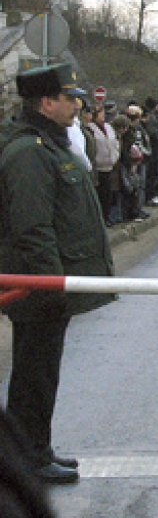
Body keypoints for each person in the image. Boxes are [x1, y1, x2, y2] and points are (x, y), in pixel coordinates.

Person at [0, 63, 115, 485]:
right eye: (70, 98)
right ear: (46, 103)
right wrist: (51, 284)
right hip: (38, 285)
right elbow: (33, 227)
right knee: (33, 374)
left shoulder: (48, 143)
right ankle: (26, 459)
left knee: (40, 372)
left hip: (44, 284)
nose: (78, 105)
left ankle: (36, 448)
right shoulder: (30, 151)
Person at [87, 104, 120, 227]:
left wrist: (115, 156)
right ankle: (100, 218)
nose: (103, 115)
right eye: (100, 113)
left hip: (109, 165)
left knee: (108, 194)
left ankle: (107, 216)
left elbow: (115, 143)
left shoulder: (108, 127)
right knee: (100, 194)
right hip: (98, 166)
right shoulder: (91, 129)